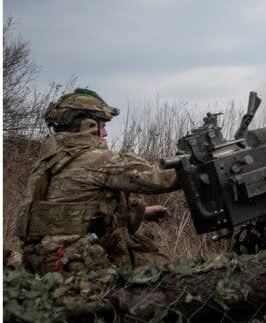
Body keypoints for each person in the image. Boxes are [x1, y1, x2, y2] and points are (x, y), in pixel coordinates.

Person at [16, 88, 180, 274]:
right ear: (88, 126)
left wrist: (142, 212)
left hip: (46, 260)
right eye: (103, 125)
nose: (106, 133)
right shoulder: (92, 159)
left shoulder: (48, 162)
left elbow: (70, 212)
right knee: (162, 278)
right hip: (76, 263)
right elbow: (159, 180)